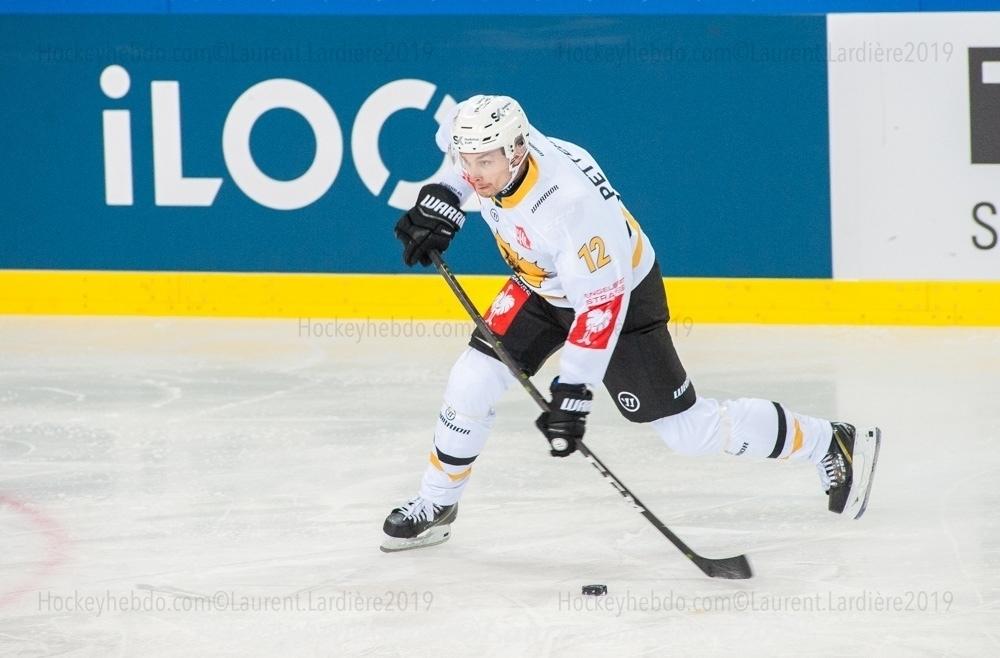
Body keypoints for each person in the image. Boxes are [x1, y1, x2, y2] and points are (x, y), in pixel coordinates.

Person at [382, 95, 880, 553]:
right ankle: (437, 503)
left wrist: (573, 390)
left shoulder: (569, 206)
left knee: (688, 432)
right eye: (466, 161)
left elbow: (599, 307)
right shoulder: (487, 139)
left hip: (620, 297)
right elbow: (460, 164)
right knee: (471, 380)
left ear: (516, 151)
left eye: (484, 163)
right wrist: (443, 197)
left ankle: (829, 441)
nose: (473, 173)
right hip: (541, 285)